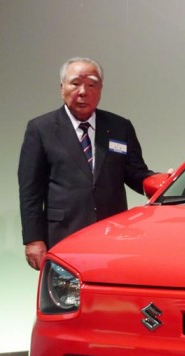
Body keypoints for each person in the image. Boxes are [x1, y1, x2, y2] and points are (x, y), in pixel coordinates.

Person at [18, 57, 156, 270]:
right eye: (75, 83)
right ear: (62, 88)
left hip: (112, 233)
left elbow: (135, 173)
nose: (83, 91)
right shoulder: (41, 128)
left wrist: (163, 181)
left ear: (100, 89)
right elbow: (30, 190)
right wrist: (33, 239)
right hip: (63, 233)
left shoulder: (119, 127)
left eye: (91, 84)